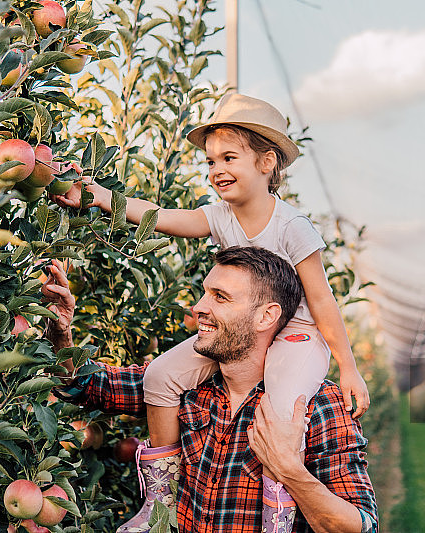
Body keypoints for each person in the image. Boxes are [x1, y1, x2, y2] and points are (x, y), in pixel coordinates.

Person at [52, 93, 370, 531]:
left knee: (283, 412)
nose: (217, 170)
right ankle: (159, 503)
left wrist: (348, 368)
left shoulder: (292, 227)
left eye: (229, 158)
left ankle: (278, 515)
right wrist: (102, 197)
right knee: (161, 377)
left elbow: (321, 302)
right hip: (247, 338)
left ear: (266, 162)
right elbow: (161, 217)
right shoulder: (219, 216)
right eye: (210, 162)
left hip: (295, 335)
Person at [42, 247, 378, 533]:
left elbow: (361, 525)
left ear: (266, 317)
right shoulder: (185, 385)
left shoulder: (317, 405)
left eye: (220, 297)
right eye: (206, 292)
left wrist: (289, 469)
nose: (200, 307)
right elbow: (83, 387)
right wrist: (60, 333)